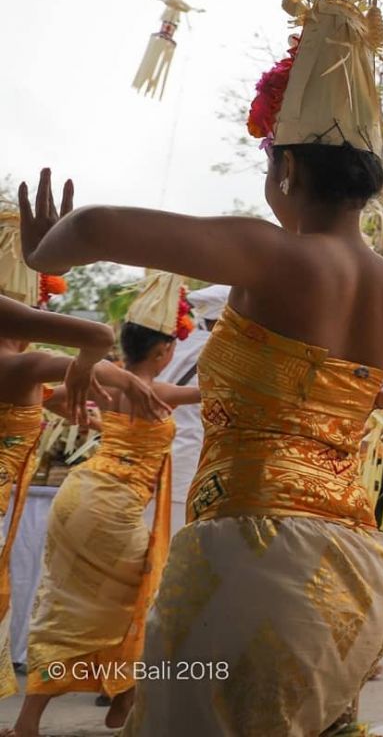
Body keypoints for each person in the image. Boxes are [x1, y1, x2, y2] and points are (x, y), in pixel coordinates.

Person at [16, 0, 383, 735]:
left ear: (286, 171)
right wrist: (366, 395)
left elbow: (94, 225)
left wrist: (40, 254)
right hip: (353, 561)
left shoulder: (271, 254)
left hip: (251, 551)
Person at [10, 273, 199, 737]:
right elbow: (216, 393)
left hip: (80, 493)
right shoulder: (159, 393)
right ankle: (124, 699)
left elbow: (58, 401)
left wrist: (100, 423)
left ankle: (46, 716)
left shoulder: (103, 386)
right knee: (136, 604)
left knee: (66, 605)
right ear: (164, 352)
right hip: (113, 506)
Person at [0, 216, 162, 703]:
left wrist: (71, 393)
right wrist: (108, 373)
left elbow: (38, 389)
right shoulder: (20, 363)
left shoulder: (21, 370)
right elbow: (92, 339)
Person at [155, 284, 230, 536]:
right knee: (176, 540)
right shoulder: (221, 351)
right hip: (189, 463)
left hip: (156, 455)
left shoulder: (177, 345)